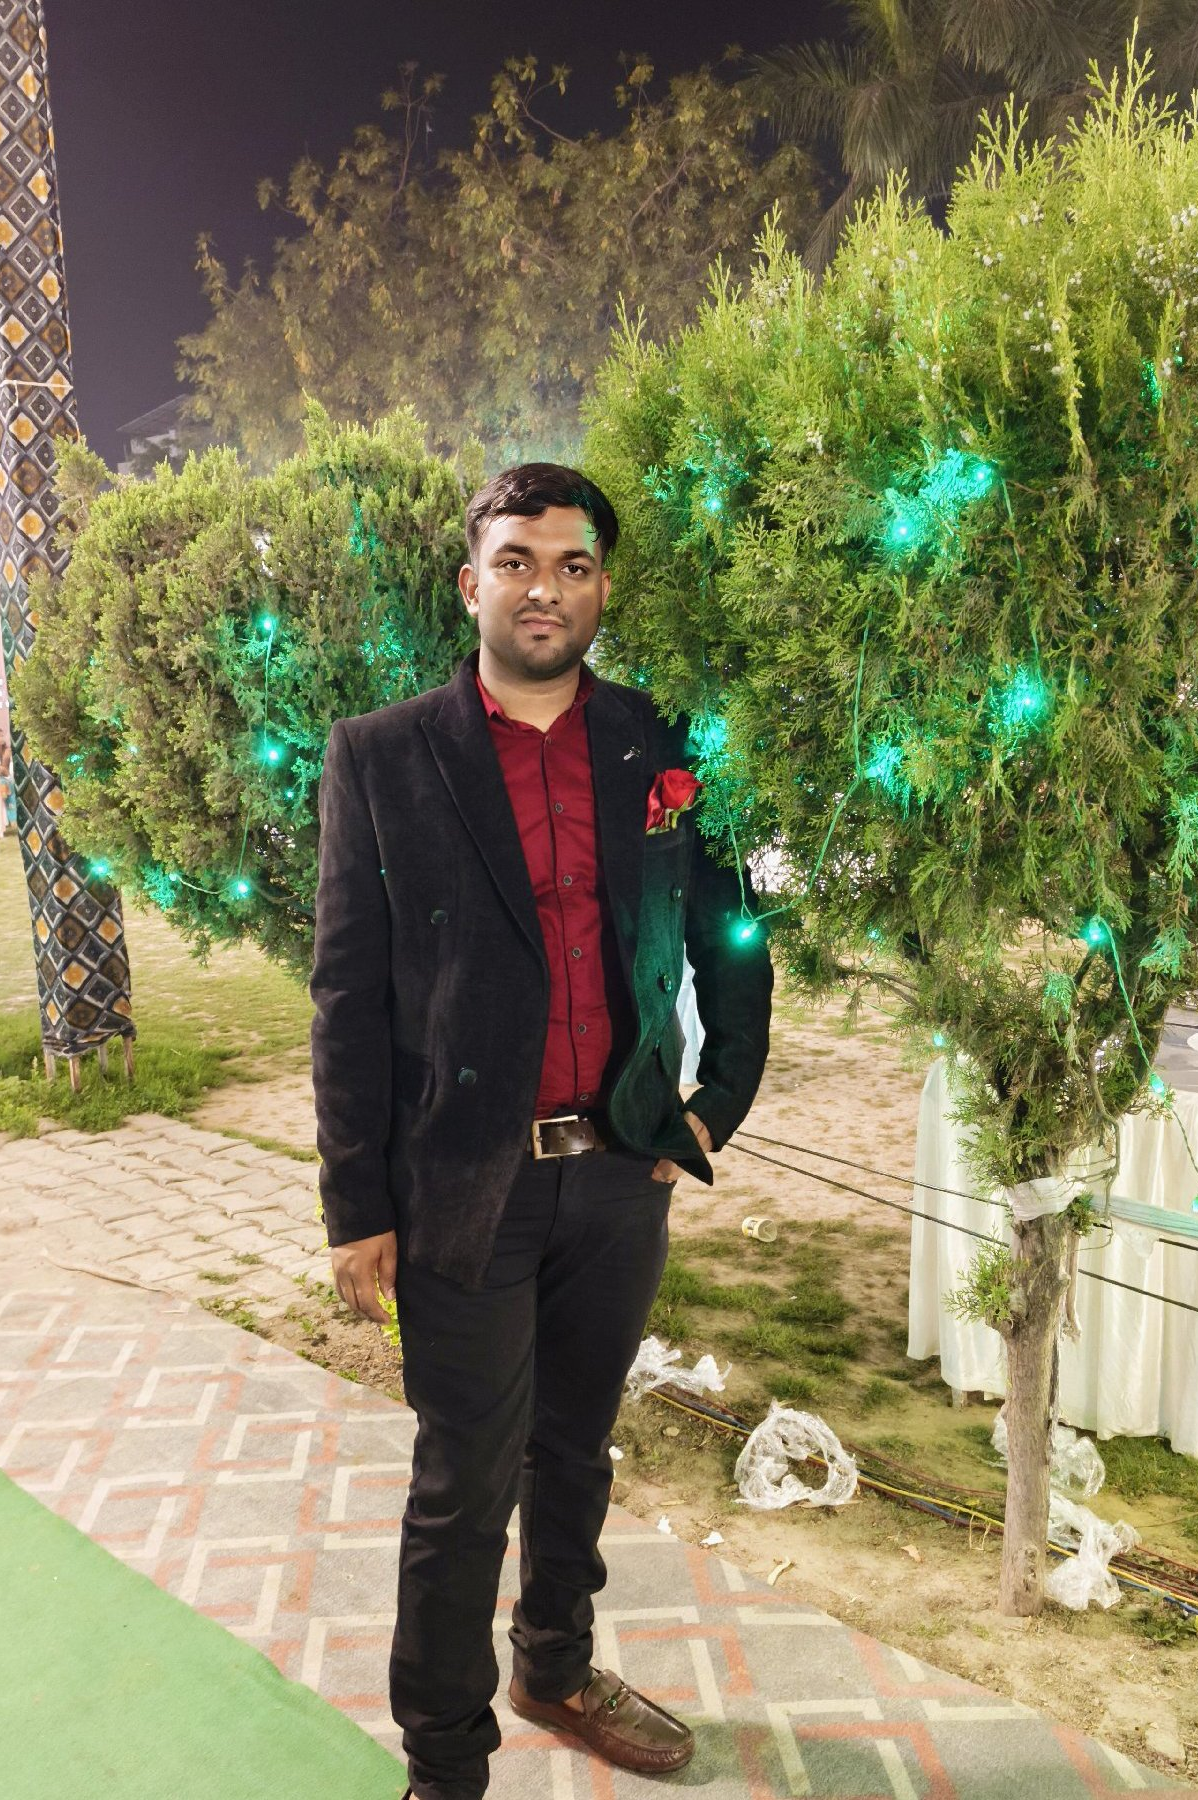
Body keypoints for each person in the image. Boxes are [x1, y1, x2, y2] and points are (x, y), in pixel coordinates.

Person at [311, 464, 773, 1800]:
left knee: (576, 1449)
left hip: (621, 1169)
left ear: (601, 587)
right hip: (467, 1184)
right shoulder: (383, 755)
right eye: (517, 562)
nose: (544, 590)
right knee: (465, 1481)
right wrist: (357, 1205)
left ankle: (557, 1667)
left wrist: (714, 1102)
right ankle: (445, 1765)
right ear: (472, 583)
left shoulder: (659, 740)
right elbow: (347, 993)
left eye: (572, 565)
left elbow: (729, 932)